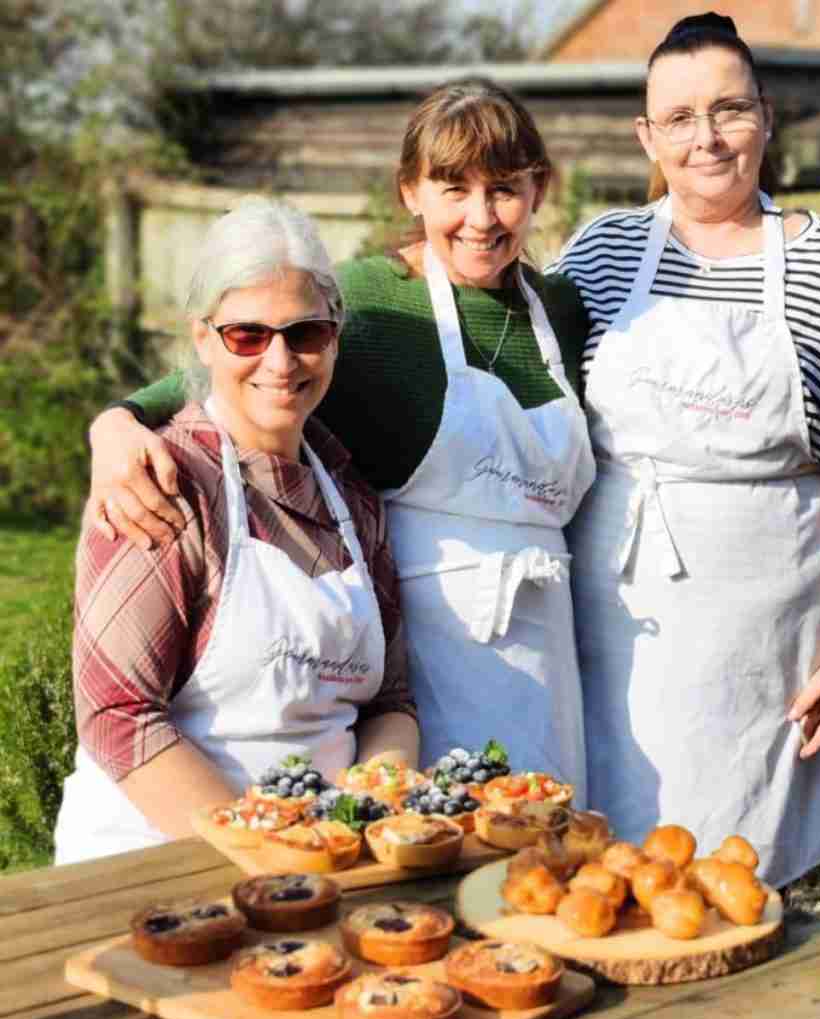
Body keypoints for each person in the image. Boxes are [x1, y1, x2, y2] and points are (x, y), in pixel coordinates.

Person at [82, 80, 596, 800]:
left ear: (539, 190)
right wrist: (112, 427)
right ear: (410, 192)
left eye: (504, 189)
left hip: (549, 644)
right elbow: (225, 368)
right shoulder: (372, 301)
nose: (481, 217)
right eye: (453, 189)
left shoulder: (563, 312)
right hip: (433, 653)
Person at [552, 13, 820, 888]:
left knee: (745, 886)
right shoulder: (600, 253)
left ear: (765, 116)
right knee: (604, 882)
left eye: (727, 109)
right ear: (648, 135)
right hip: (613, 633)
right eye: (678, 118)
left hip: (769, 645)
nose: (706, 138)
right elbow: (509, 376)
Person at [54, 198, 416, 863]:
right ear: (202, 338)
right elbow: (118, 717)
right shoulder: (161, 485)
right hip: (158, 865)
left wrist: (365, 813)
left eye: (305, 333)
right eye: (247, 335)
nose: (280, 361)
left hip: (321, 867)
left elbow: (391, 702)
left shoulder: (354, 499)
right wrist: (265, 852)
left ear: (334, 335)